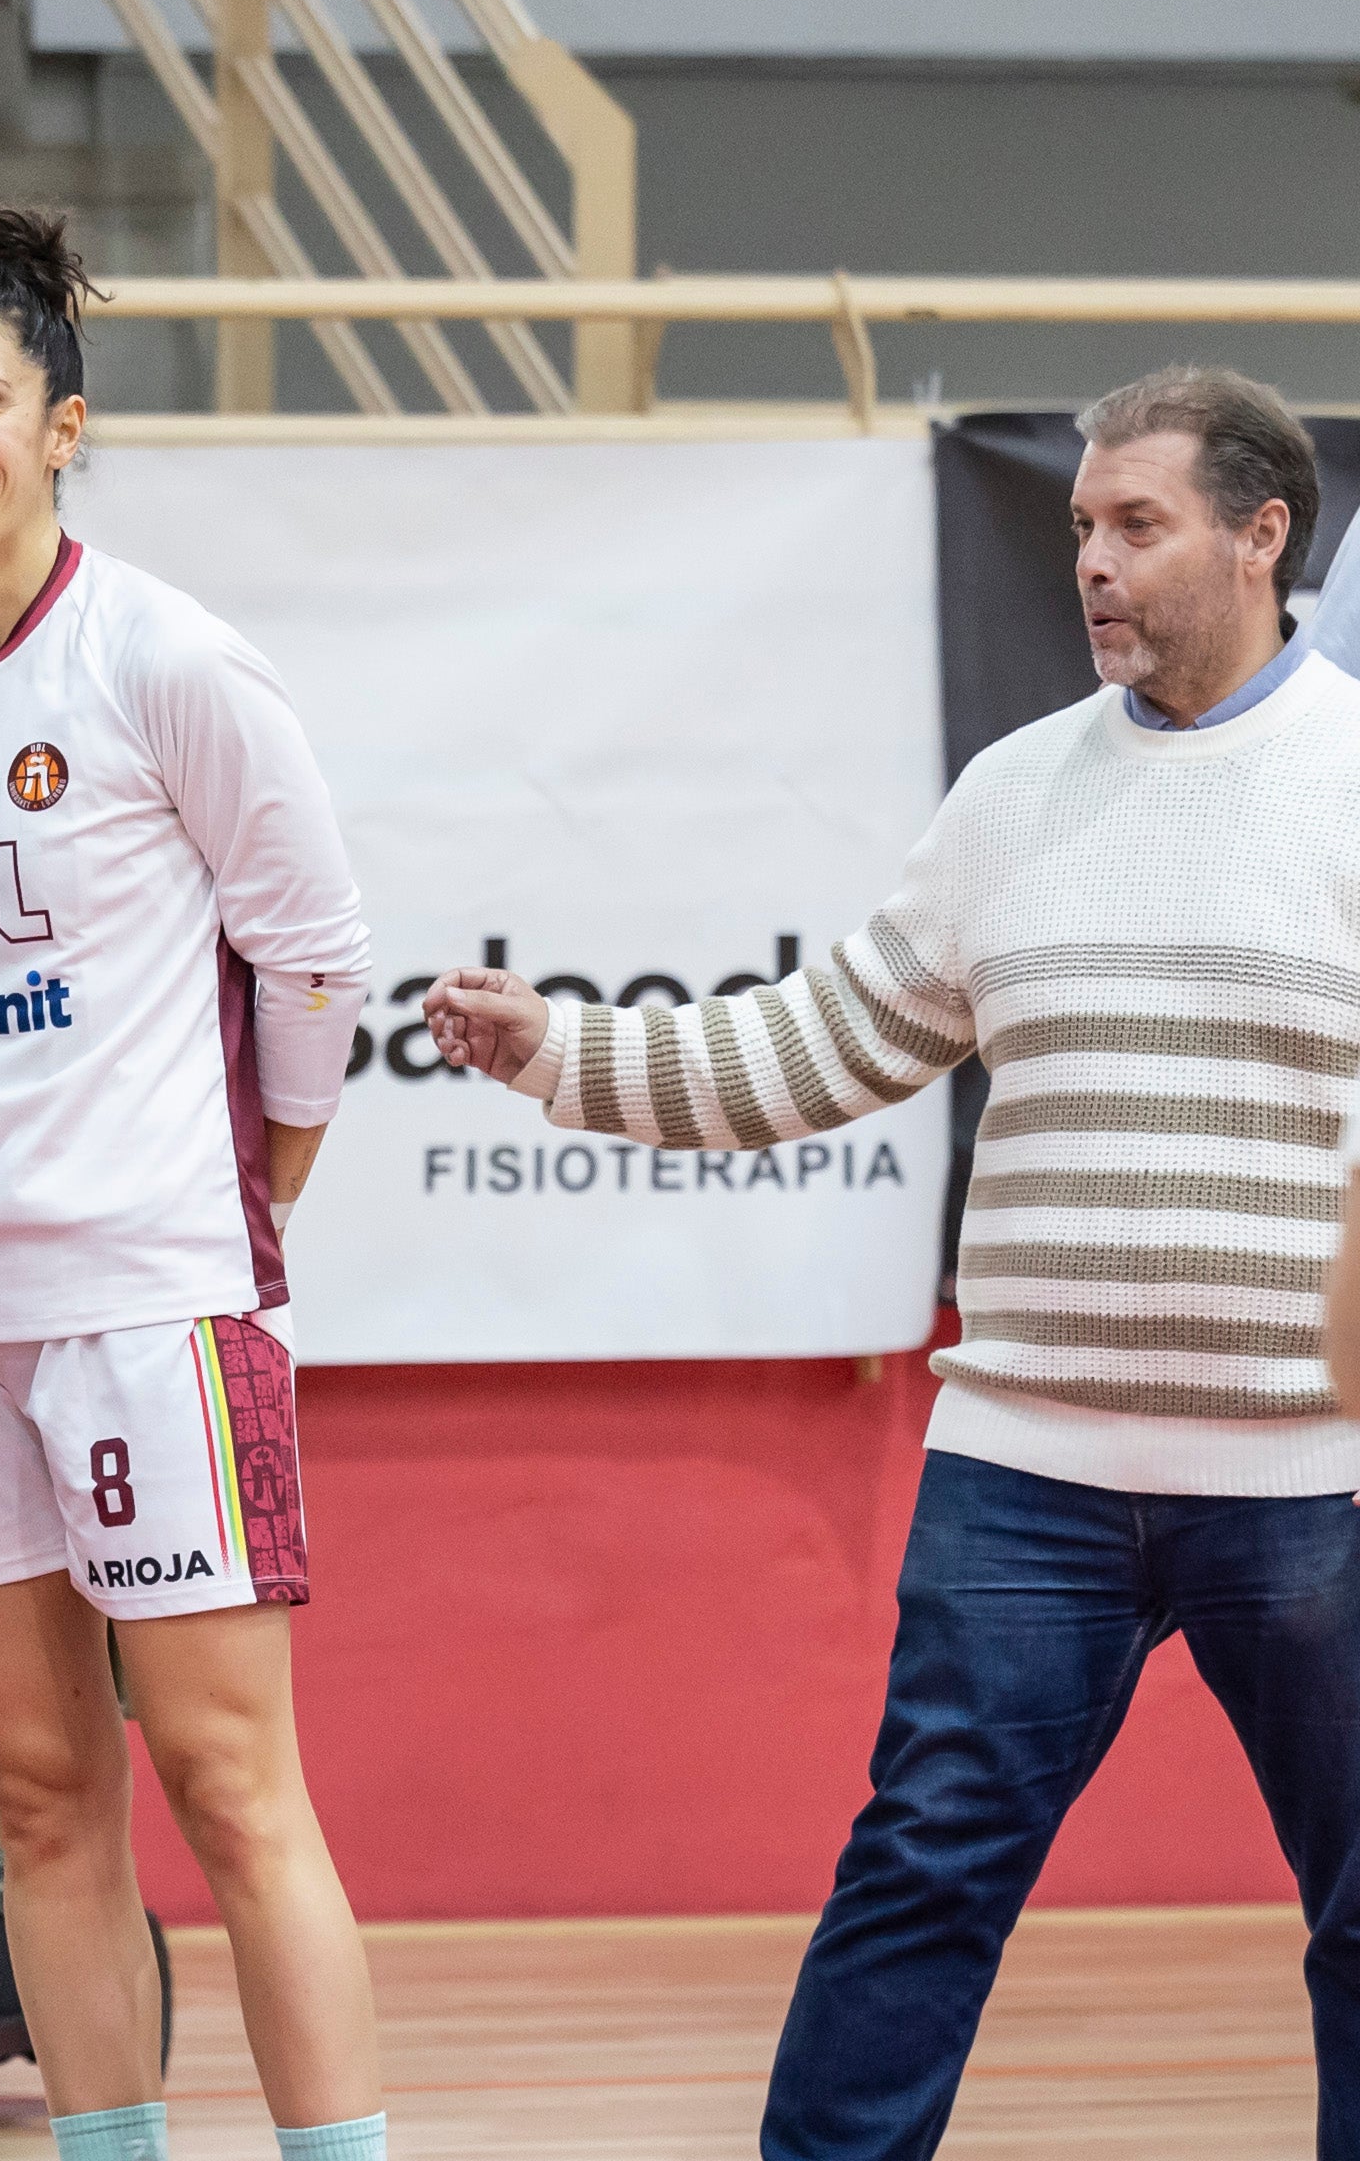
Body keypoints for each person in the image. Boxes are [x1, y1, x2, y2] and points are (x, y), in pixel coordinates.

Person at [431, 361, 1360, 2161]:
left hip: (1309, 1483)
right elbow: (801, 1051)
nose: (1087, 559)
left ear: (1258, 537)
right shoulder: (1010, 794)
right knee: (916, 1880)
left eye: (1133, 525)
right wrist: (556, 1047)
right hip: (1025, 1473)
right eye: (1078, 523)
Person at [0, 208, 381, 2161]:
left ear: (63, 425)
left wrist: (262, 1197)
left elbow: (314, 952)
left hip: (152, 1305)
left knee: (235, 1790)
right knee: (43, 1804)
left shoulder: (163, 656)